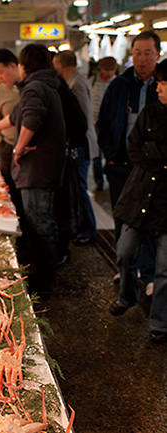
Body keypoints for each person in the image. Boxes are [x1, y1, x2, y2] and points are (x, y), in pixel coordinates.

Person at [0, 44, 66, 296]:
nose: (0, 77)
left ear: (20, 65)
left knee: (40, 223)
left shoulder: (34, 88)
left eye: (2, 71)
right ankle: (44, 270)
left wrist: (18, 148)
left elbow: (30, 119)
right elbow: (17, 115)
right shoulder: (45, 86)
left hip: (38, 170)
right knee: (38, 221)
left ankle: (46, 280)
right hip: (44, 167)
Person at [108, 58, 167, 344]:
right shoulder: (150, 113)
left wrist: (152, 151)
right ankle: (127, 296)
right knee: (125, 252)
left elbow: (145, 150)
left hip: (166, 202)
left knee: (164, 268)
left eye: (164, 84)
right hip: (140, 194)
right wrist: (158, 159)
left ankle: (160, 322)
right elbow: (134, 148)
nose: (158, 88)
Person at [97, 30, 159, 289]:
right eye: (137, 53)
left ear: (157, 55)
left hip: (154, 170)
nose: (141, 59)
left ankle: (149, 273)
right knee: (122, 218)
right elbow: (103, 122)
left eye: (147, 53)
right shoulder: (119, 85)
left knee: (152, 221)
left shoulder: (163, 86)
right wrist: (111, 154)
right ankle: (125, 270)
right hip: (121, 165)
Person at [53, 50, 97, 245]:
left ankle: (88, 230)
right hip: (80, 142)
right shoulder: (75, 81)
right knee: (78, 188)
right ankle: (82, 227)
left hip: (82, 144)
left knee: (80, 188)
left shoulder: (76, 83)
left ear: (61, 65)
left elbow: (82, 119)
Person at [0, 49, 22, 216]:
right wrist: (0, 143)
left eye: (1, 72)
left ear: (13, 66)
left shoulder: (28, 89)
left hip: (27, 151)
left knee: (26, 196)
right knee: (9, 192)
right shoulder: (0, 91)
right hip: (7, 148)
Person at [92, 56, 118, 190]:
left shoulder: (118, 83)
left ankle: (110, 177)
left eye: (110, 70)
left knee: (109, 154)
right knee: (96, 156)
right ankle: (99, 181)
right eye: (105, 70)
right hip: (95, 123)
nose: (107, 73)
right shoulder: (93, 81)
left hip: (110, 125)